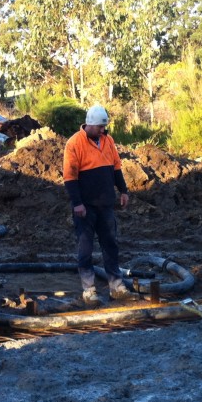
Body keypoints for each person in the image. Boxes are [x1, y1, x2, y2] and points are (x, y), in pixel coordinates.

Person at [62, 105, 133, 307]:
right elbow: (70, 176)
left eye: (104, 127)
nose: (103, 131)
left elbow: (116, 167)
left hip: (106, 204)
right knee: (85, 248)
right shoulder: (74, 143)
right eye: (100, 127)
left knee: (110, 245)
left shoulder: (108, 140)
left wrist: (123, 190)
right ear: (90, 124)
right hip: (86, 206)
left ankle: (116, 287)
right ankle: (89, 290)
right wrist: (77, 203)